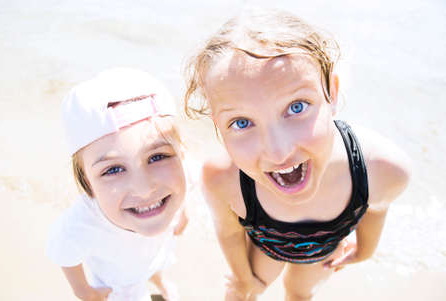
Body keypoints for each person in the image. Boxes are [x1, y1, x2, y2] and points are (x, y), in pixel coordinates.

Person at [184, 8, 411, 301]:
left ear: (331, 92)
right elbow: (228, 233)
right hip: (266, 246)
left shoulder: (382, 169)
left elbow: (377, 208)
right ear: (218, 126)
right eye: (241, 123)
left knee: (299, 293)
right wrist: (242, 278)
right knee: (245, 290)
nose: (278, 152)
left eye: (297, 107)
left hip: (321, 253)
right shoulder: (221, 178)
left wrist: (364, 251)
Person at [47, 68, 188, 301]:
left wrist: (183, 214)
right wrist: (85, 292)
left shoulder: (182, 174)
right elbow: (63, 254)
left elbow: (188, 183)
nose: (144, 190)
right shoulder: (79, 225)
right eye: (113, 170)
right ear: (87, 185)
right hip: (120, 279)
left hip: (157, 251)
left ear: (181, 154)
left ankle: (157, 278)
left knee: (157, 263)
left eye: (157, 157)